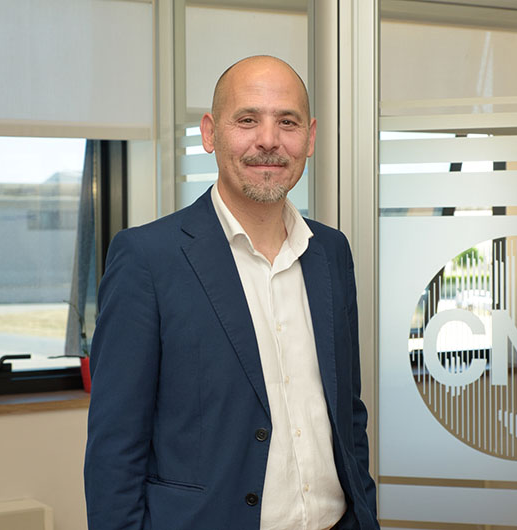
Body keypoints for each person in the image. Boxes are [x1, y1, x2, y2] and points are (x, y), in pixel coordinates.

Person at [84, 55, 379, 530]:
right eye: (247, 120)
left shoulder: (331, 253)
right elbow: (115, 448)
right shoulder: (148, 258)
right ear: (210, 133)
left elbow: (348, 415)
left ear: (309, 138)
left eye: (287, 122)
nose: (269, 140)